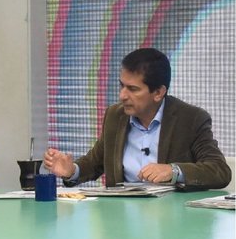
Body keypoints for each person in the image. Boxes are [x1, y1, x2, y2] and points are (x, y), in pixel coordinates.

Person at [43, 48, 231, 190]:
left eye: (133, 89)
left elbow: (219, 170)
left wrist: (173, 171)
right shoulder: (115, 116)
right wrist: (71, 170)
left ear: (158, 92)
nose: (122, 95)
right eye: (122, 86)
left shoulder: (190, 119)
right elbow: (95, 162)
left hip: (171, 219)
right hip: (122, 218)